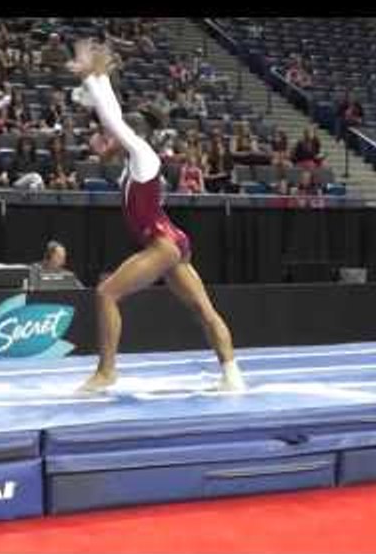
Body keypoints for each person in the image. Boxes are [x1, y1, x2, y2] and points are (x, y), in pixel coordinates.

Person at [67, 39, 245, 393]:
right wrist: (99, 79)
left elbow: (115, 120)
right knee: (202, 310)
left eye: (108, 138)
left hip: (163, 244)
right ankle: (232, 375)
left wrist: (93, 77)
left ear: (128, 137)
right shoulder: (133, 163)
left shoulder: (145, 156)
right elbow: (115, 118)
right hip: (171, 241)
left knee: (105, 294)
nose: (104, 140)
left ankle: (106, 372)